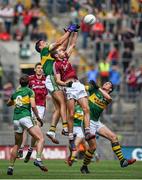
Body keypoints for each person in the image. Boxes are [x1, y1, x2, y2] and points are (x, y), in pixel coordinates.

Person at [35, 24, 80, 144]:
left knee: (58, 108)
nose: (45, 42)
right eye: (43, 42)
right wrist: (68, 32)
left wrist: (70, 33)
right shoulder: (45, 51)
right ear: (40, 47)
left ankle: (52, 130)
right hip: (52, 78)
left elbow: (63, 46)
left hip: (52, 79)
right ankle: (65, 128)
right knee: (63, 103)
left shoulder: (51, 55)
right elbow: (59, 42)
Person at [51, 31, 95, 150]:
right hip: (69, 88)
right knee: (71, 114)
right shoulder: (56, 65)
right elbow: (58, 80)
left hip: (78, 85)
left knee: (86, 109)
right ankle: (71, 138)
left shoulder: (66, 57)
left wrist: (75, 32)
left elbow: (73, 44)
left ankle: (87, 131)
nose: (62, 51)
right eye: (60, 50)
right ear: (56, 55)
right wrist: (66, 84)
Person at [80, 81, 136, 174]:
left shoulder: (107, 97)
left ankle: (122, 161)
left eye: (108, 84)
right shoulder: (94, 90)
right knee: (93, 147)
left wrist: (98, 88)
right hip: (88, 121)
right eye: (105, 83)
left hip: (97, 122)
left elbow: (108, 98)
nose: (105, 84)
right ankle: (84, 166)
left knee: (114, 137)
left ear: (110, 89)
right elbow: (82, 87)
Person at [6, 75, 47, 175]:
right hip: (26, 118)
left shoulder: (15, 93)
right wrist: (38, 117)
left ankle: (10, 167)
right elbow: (33, 106)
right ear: (29, 83)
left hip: (16, 120)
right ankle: (38, 159)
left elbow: (8, 103)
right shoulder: (30, 91)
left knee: (17, 144)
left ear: (20, 83)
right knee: (41, 138)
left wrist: (15, 101)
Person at [18, 63, 48, 163]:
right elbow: (20, 88)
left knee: (37, 129)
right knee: (27, 128)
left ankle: (30, 149)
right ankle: (21, 149)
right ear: (35, 70)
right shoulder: (30, 79)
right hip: (30, 106)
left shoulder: (46, 80)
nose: (40, 69)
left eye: (41, 68)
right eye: (38, 68)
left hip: (41, 107)